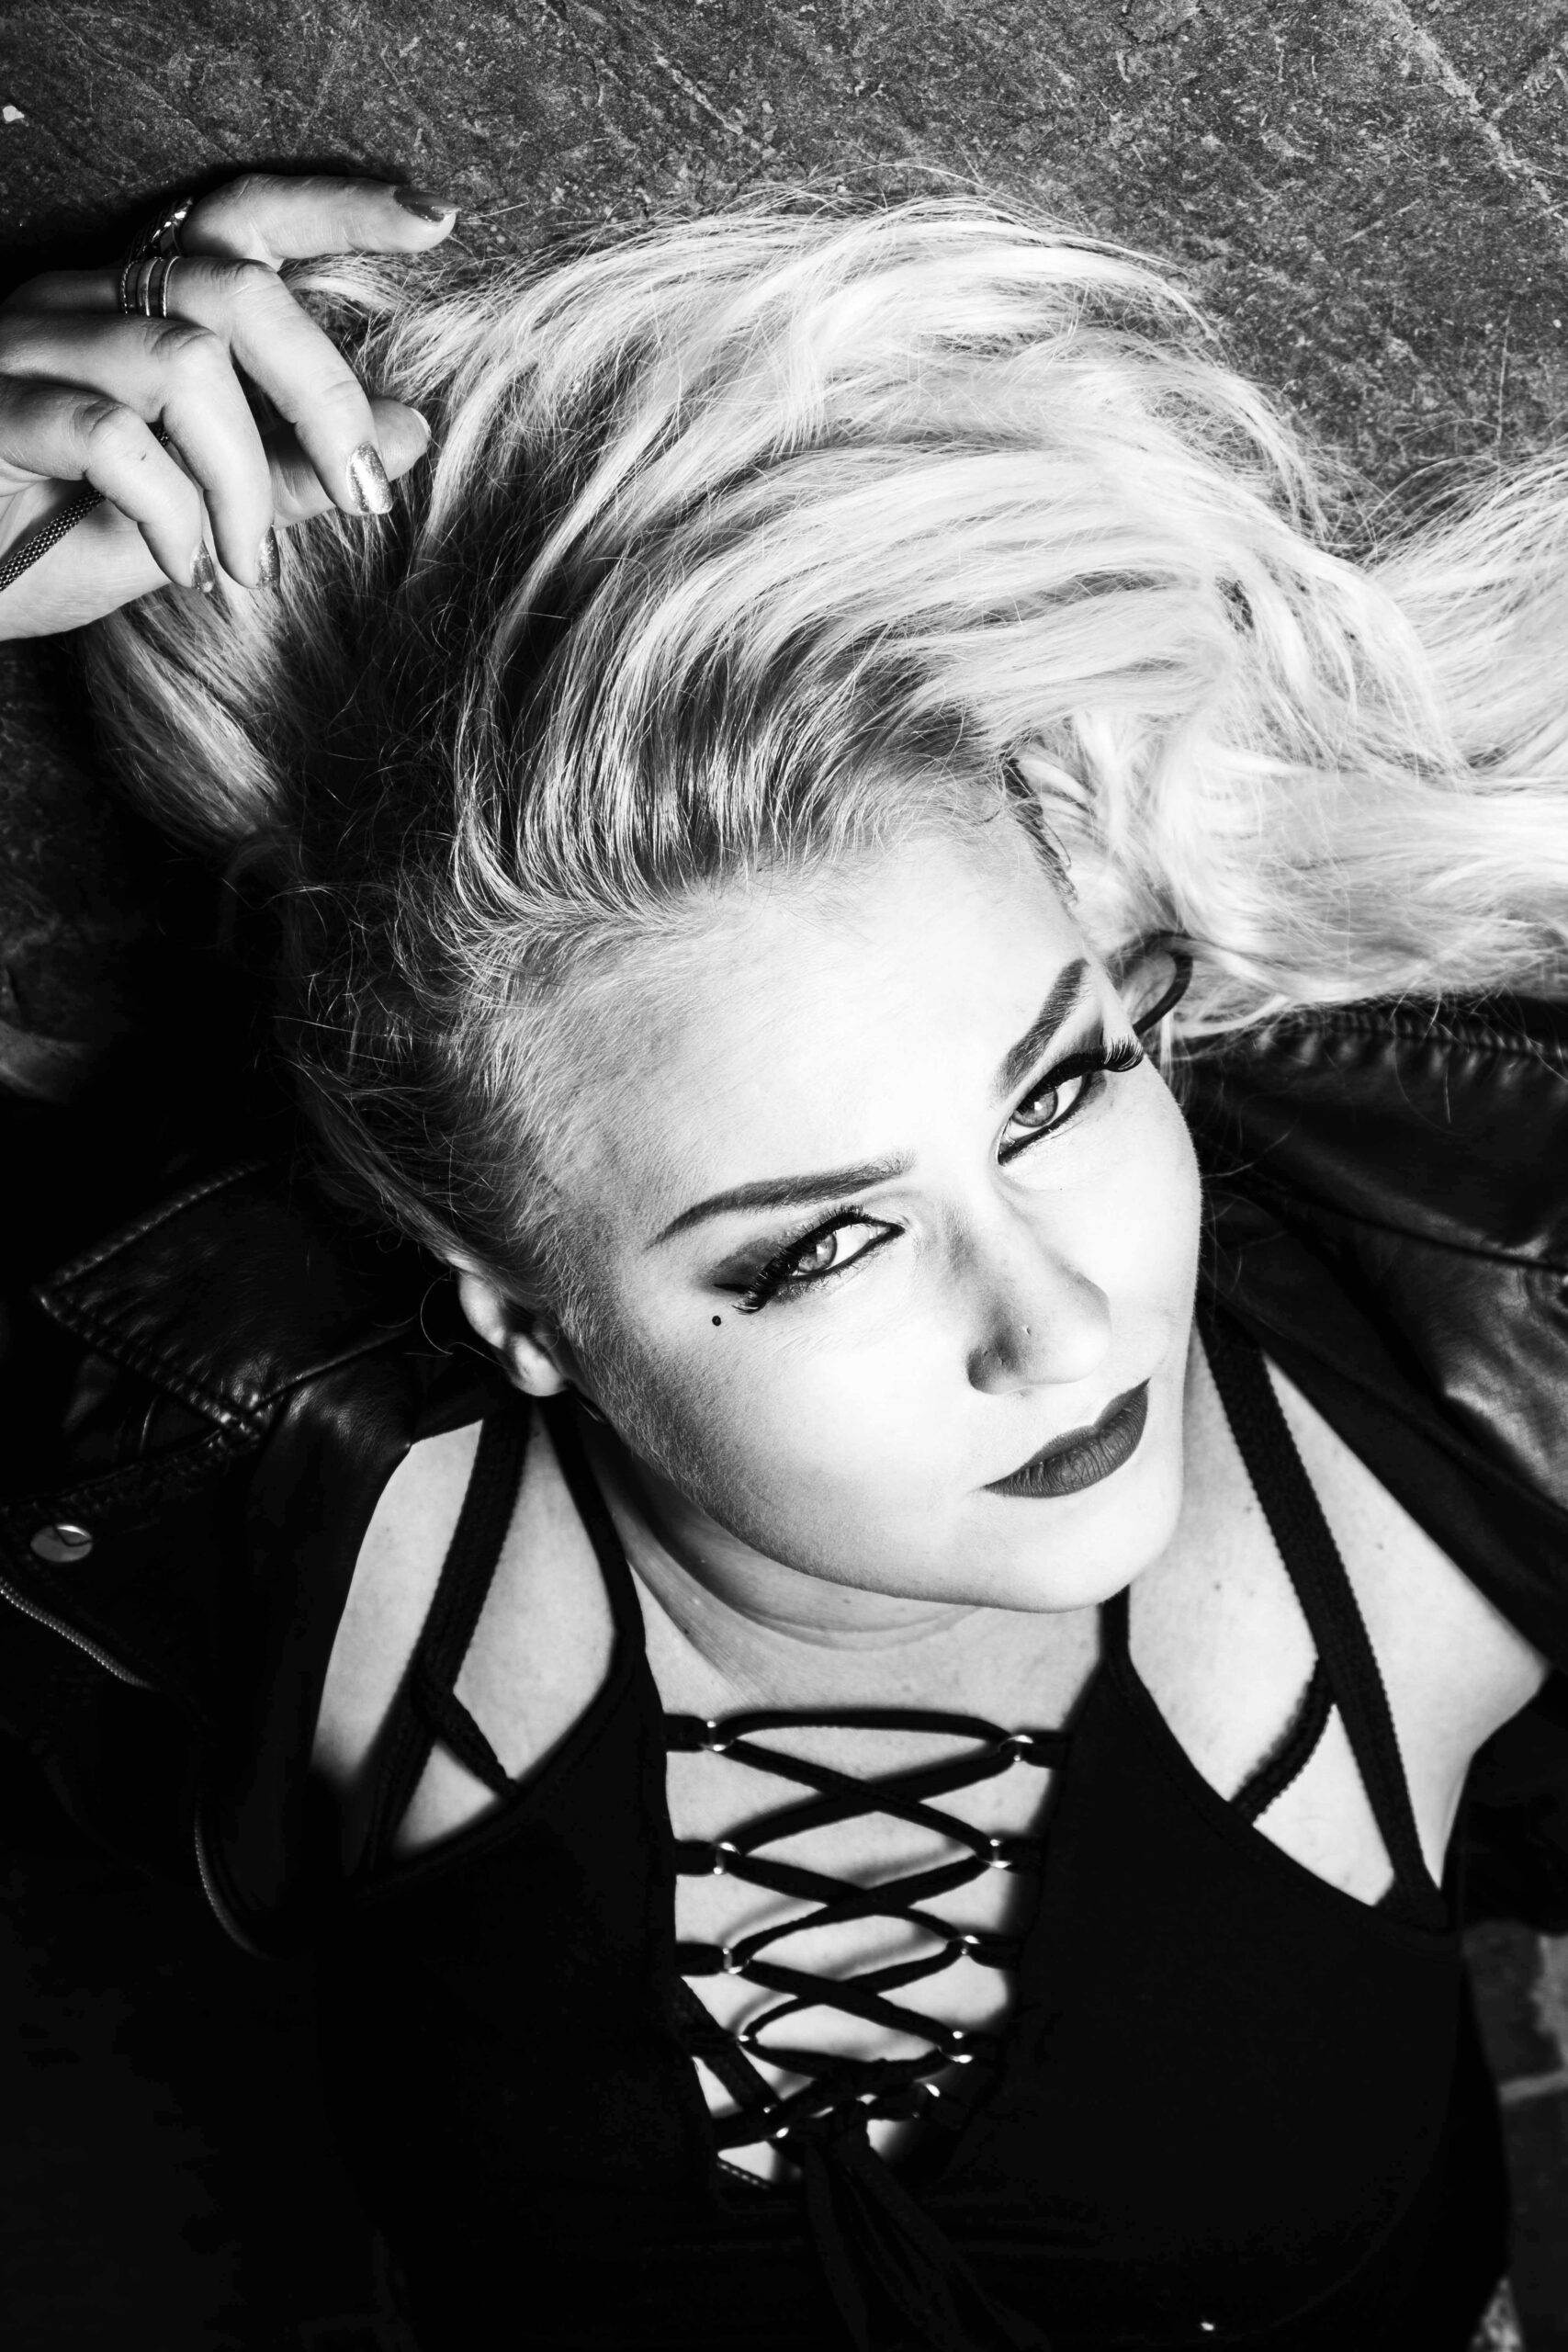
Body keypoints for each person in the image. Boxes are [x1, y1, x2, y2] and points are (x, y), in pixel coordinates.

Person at [2, 170, 1567, 2352]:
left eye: (1053, 1093)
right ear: (517, 1310)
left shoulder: (1465, 1434)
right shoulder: (253, 1477)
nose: (1062, 1328)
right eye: (825, 1240)